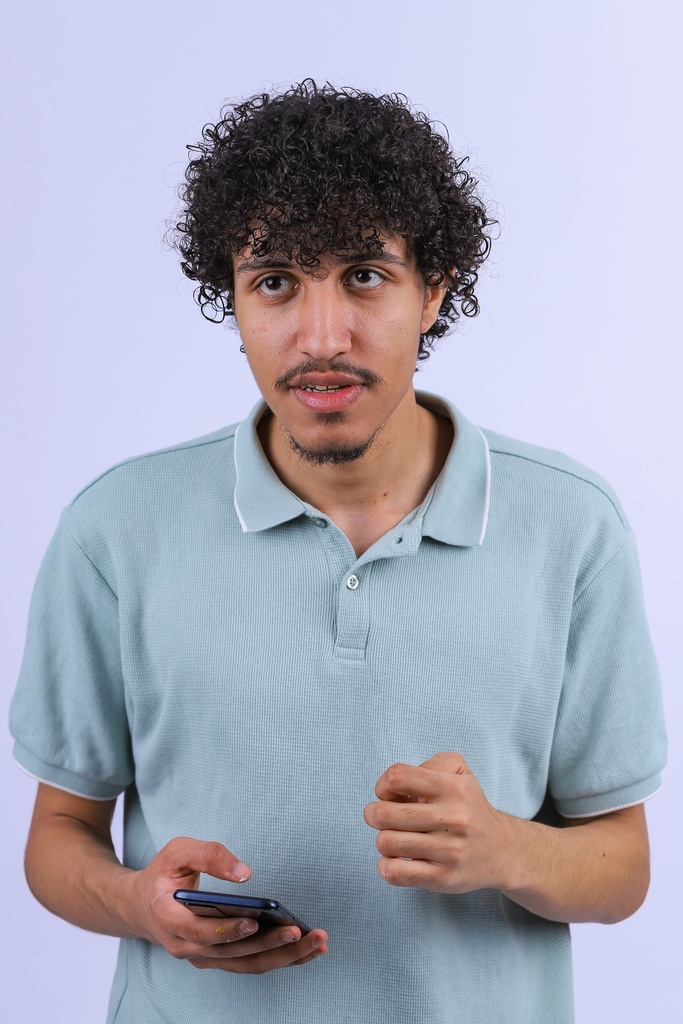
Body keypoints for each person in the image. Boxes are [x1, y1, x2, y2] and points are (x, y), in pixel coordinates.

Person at [10, 81, 666, 1024]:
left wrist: (506, 849)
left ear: (432, 290)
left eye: (364, 274)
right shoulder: (115, 528)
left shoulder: (572, 526)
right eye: (275, 280)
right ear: (231, 302)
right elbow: (58, 836)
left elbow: (624, 869)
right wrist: (138, 904)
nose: (322, 336)